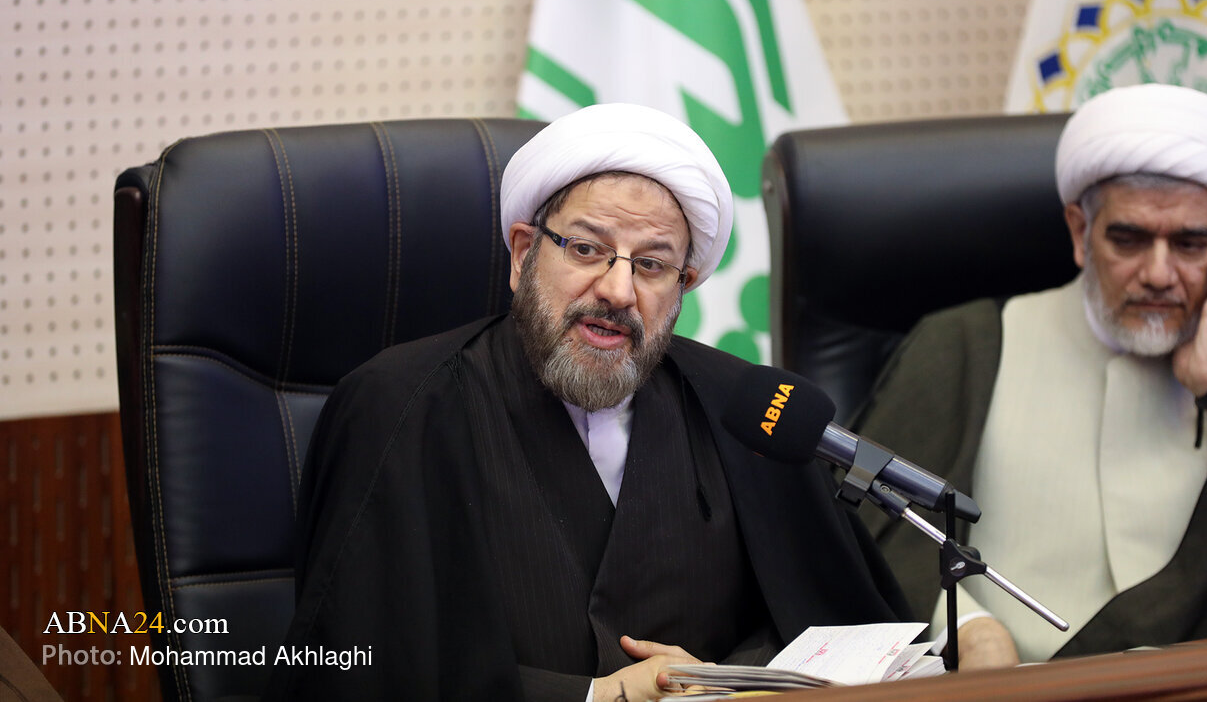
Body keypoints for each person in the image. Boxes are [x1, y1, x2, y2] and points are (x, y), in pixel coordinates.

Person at [265, 103, 907, 702]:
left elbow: (836, 626)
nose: (619, 290)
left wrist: (730, 683)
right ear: (523, 254)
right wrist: (597, 695)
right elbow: (358, 667)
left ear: (682, 287)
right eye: (587, 249)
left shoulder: (742, 410)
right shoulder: (398, 407)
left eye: (652, 265)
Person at [853, 83, 1207, 668]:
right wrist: (969, 631)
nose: (1159, 273)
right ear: (1080, 232)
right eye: (1129, 239)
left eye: (1190, 243)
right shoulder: (966, 345)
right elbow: (873, 536)